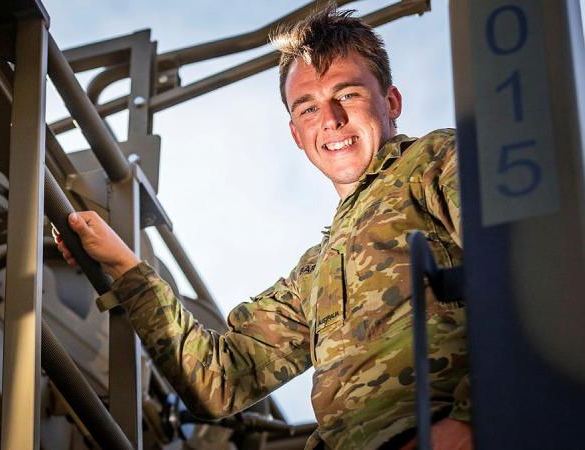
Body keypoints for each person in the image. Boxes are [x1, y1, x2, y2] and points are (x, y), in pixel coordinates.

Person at [56, 6, 471, 450]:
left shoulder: (435, 162)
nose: (330, 119)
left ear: (391, 103)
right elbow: (217, 380)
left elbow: (534, 260)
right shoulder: (314, 274)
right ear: (296, 133)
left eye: (347, 95)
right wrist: (124, 265)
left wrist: (470, 422)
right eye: (308, 107)